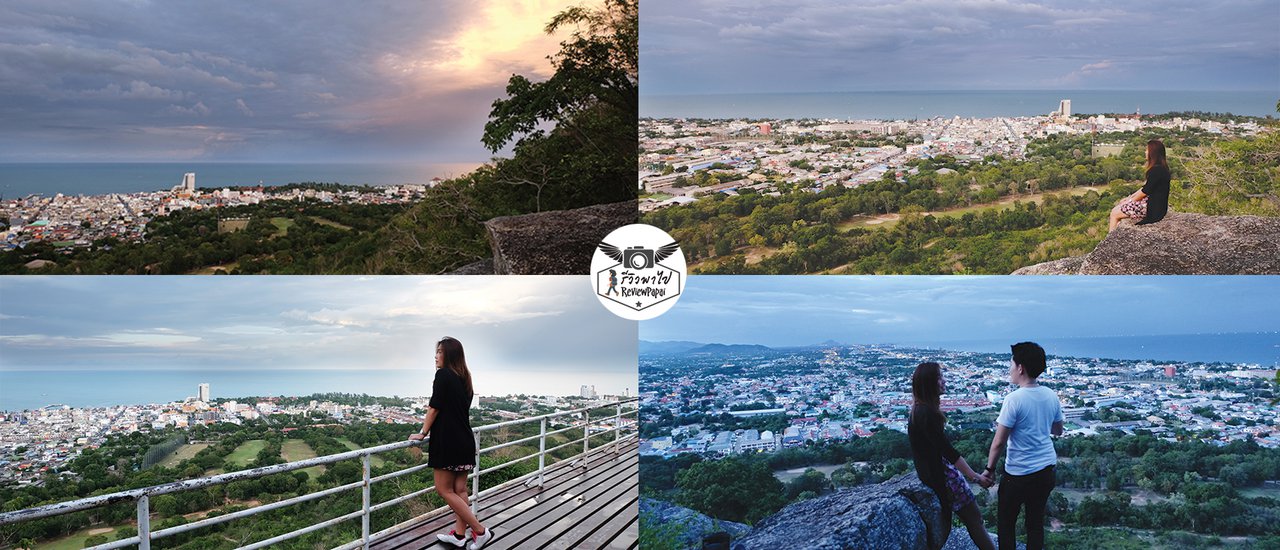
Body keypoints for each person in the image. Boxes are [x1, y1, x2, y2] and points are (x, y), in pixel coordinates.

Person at [408, 337, 494, 549]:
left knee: (444, 489)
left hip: (448, 442)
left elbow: (434, 407)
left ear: (449, 354)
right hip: (465, 440)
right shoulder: (465, 377)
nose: (435, 356)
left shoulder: (443, 375)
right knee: (460, 489)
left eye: (439, 352)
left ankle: (480, 531)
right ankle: (458, 535)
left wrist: (422, 432)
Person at [984, 342, 1064, 550]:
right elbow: (1058, 430)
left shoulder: (1014, 399)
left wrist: (990, 469)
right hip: (1046, 469)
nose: (1009, 369)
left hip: (1019, 473)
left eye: (1011, 364)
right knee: (1035, 524)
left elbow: (999, 441)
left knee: (1006, 524)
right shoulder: (1051, 395)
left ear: (1021, 368)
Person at [908, 362, 996, 550]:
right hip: (943, 476)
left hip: (931, 475)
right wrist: (976, 477)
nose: (944, 381)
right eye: (939, 377)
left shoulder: (918, 409)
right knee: (975, 521)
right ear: (930, 383)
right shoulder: (927, 413)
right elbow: (949, 452)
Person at [1109, 139, 1172, 232]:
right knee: (1120, 206)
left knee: (1114, 213)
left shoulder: (1156, 170)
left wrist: (1129, 201)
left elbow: (1145, 191)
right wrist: (1129, 198)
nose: (1145, 152)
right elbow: (1145, 188)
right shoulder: (1162, 168)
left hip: (1153, 209)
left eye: (1147, 150)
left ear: (1152, 153)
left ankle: (1110, 241)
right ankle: (1115, 236)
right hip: (1158, 207)